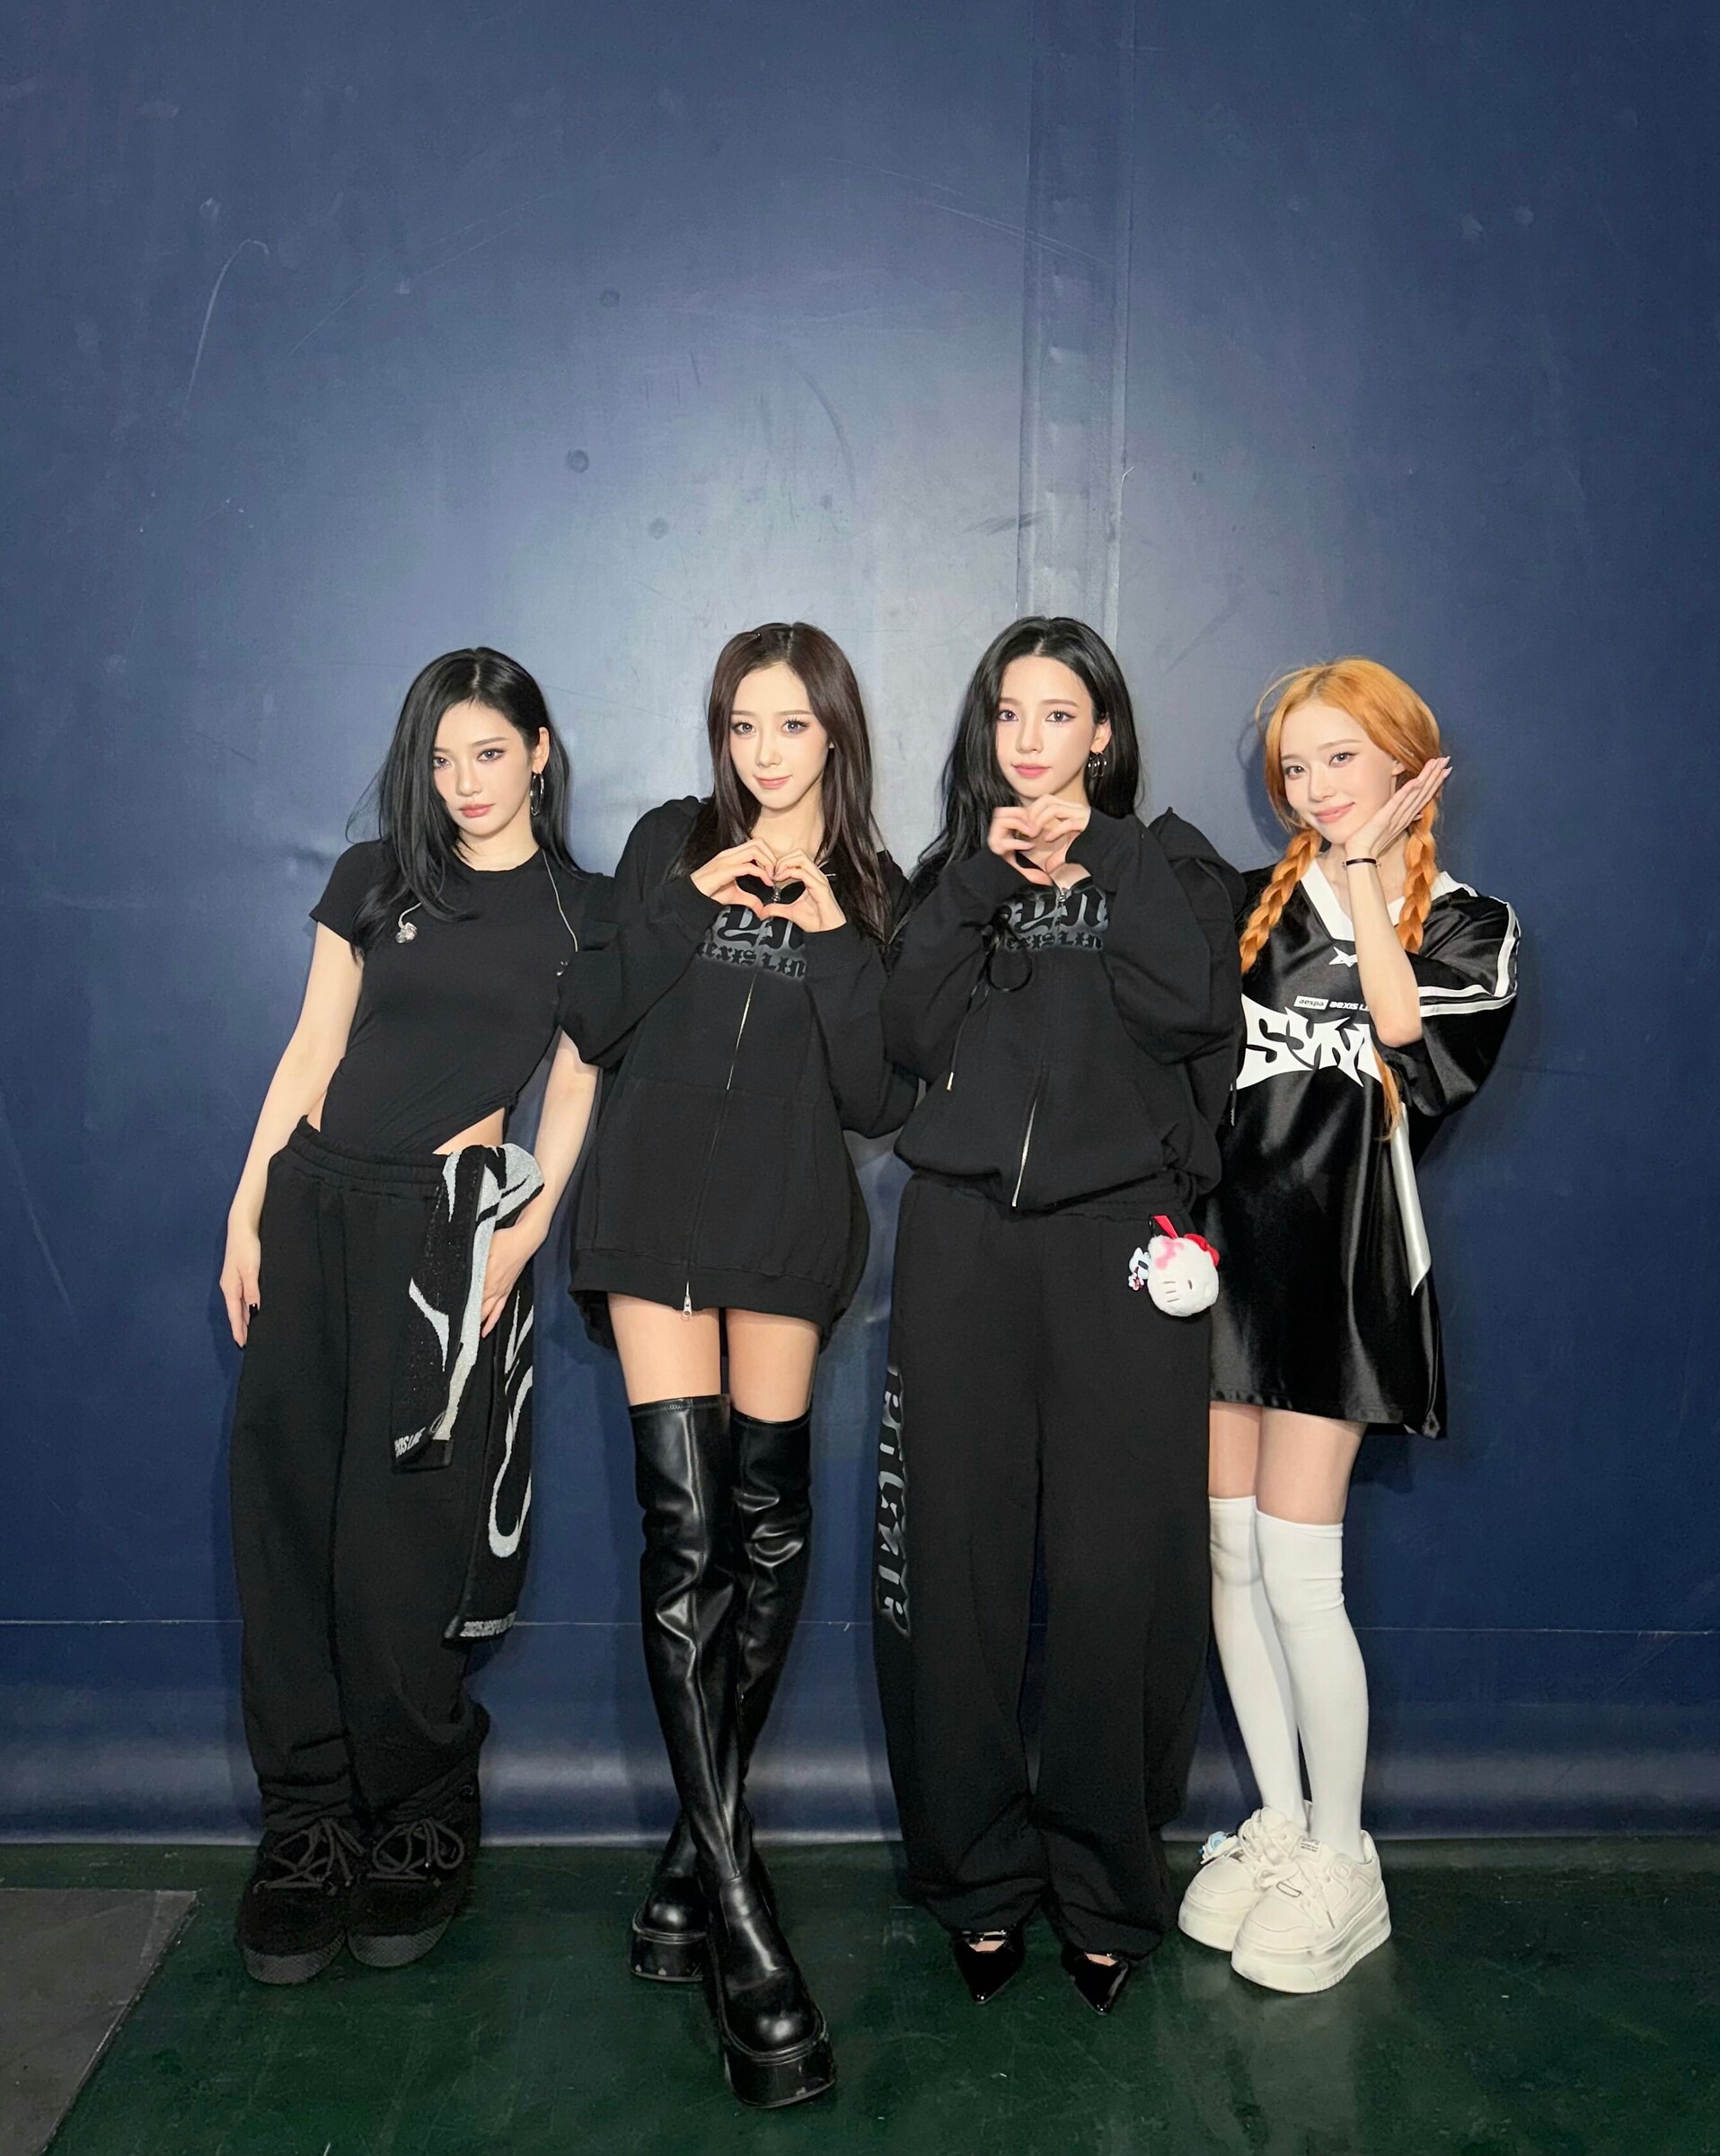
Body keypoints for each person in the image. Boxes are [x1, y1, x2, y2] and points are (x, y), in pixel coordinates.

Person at [557, 621, 910, 2109]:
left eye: (790, 726)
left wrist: (826, 933)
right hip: (650, 1220)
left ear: (834, 734)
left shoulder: (881, 892)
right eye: (741, 727)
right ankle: (746, 1931)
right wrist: (690, 900)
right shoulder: (666, 845)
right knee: (686, 1539)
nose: (764, 754)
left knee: (768, 1541)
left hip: (786, 1225)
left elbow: (879, 1096)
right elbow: (590, 1015)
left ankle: (688, 1870)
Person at [219, 649, 608, 1984]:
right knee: (286, 1520)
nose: (465, 783)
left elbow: (573, 1086)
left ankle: (423, 1814)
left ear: (539, 752)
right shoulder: (374, 878)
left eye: (489, 753)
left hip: (445, 1233)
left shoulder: (582, 913)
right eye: (442, 760)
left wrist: (526, 1229)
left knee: (403, 1543)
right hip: (315, 1202)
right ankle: (307, 1825)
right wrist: (247, 1208)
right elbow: (312, 1047)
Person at [873, 616, 1243, 2015]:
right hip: (961, 1247)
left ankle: (1105, 1886)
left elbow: (1197, 1011)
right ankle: (975, 1878)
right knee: (956, 1575)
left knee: (1113, 1579)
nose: (1031, 740)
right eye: (1010, 714)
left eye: (1059, 714)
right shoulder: (946, 878)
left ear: (1103, 733)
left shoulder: (1171, 866)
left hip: (1120, 1251)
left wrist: (1110, 861)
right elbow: (905, 1040)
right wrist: (981, 878)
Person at [1178, 658, 1520, 1993]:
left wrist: (1370, 873)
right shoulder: (1241, 909)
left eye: (1341, 758)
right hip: (1223, 1268)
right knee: (1226, 1555)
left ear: (1405, 763)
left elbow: (1405, 1044)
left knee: (1298, 1570)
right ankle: (1280, 1824)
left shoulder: (1472, 924)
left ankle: (1342, 1855)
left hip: (1341, 1275)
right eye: (1297, 766)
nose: (1317, 787)